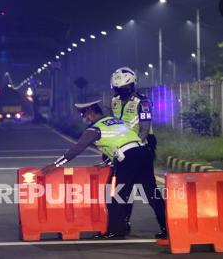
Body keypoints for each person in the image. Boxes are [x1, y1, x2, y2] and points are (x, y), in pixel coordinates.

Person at [41, 100, 167, 239]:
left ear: (91, 112)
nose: (84, 118)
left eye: (84, 114)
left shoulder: (94, 129)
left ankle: (116, 231)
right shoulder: (114, 121)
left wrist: (56, 164)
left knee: (115, 195)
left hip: (128, 159)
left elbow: (77, 149)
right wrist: (108, 161)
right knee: (151, 194)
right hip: (144, 153)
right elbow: (122, 141)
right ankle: (167, 227)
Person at [110, 67, 159, 234]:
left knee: (149, 190)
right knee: (123, 189)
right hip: (122, 150)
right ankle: (122, 226)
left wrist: (132, 149)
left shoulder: (143, 102)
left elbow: (144, 130)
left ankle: (166, 226)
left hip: (142, 148)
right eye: (117, 89)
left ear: (131, 86)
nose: (120, 92)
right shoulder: (114, 101)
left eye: (123, 88)